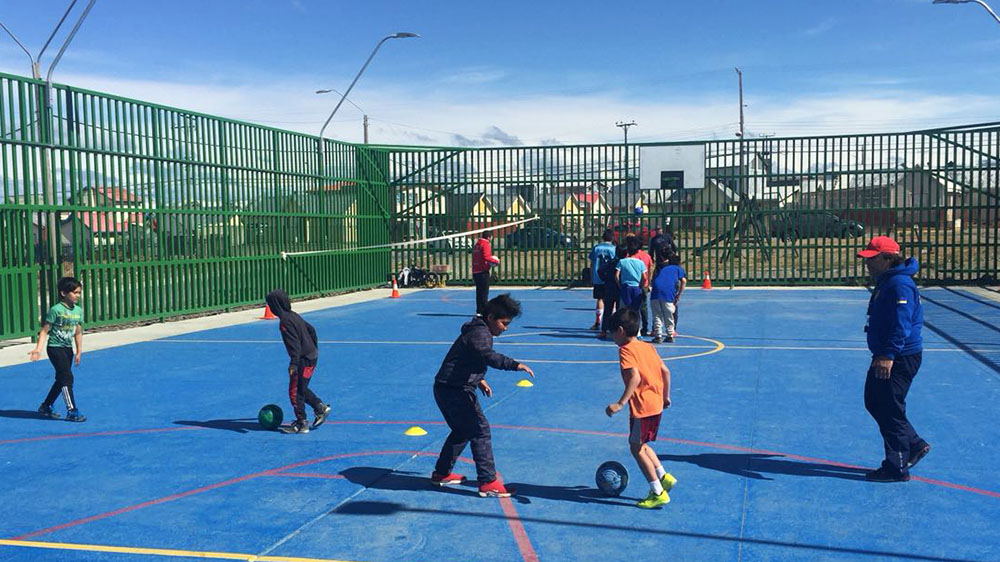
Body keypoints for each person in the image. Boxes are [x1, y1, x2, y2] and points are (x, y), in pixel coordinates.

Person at [430, 294, 535, 497]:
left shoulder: (478, 330)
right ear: (491, 317)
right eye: (504, 323)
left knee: (462, 431)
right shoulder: (480, 334)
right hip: (455, 390)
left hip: (447, 387)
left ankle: (441, 473)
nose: (506, 328)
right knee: (480, 430)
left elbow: (469, 359)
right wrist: (514, 365)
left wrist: (480, 380)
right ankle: (488, 481)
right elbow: (487, 356)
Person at [857, 236, 929, 482]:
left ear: (888, 258)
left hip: (899, 356)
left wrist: (888, 355)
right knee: (874, 400)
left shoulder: (899, 284)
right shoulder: (888, 280)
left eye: (873, 259)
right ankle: (914, 443)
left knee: (889, 407)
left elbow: (901, 323)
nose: (868, 264)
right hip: (886, 353)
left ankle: (896, 466)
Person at [604, 308, 676, 509]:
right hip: (656, 404)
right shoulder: (648, 347)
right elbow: (666, 371)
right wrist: (666, 396)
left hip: (643, 407)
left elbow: (634, 378)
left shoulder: (626, 350)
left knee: (635, 447)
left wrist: (620, 403)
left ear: (620, 330)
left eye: (612, 333)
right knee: (641, 444)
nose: (612, 337)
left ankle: (657, 492)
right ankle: (664, 477)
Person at [265, 289, 331, 434]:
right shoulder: (293, 315)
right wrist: (313, 347)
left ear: (276, 305)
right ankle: (320, 407)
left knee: (295, 392)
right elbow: (311, 329)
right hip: (312, 356)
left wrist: (293, 363)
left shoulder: (285, 322)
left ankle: (302, 424)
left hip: (302, 360)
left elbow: (294, 344)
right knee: (301, 387)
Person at [29, 277, 86, 422]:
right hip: (55, 348)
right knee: (67, 377)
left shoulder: (78, 311)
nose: (78, 295)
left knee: (61, 378)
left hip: (68, 349)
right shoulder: (56, 310)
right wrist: (38, 349)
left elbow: (78, 332)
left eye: (79, 293)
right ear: (63, 293)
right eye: (75, 292)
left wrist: (79, 351)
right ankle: (72, 411)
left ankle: (46, 405)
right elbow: (44, 331)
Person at [650, 252, 686, 343]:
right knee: (668, 314)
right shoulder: (678, 269)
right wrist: (679, 295)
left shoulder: (663, 268)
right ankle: (670, 334)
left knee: (657, 314)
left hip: (656, 291)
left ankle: (658, 335)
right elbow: (683, 281)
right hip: (668, 293)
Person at [588, 229, 617, 330]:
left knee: (600, 299)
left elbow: (592, 263)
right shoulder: (613, 249)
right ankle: (612, 322)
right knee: (612, 300)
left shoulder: (596, 248)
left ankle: (598, 322)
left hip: (598, 277)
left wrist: (592, 276)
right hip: (610, 277)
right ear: (612, 238)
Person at [616, 235, 648, 317]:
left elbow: (616, 275)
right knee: (635, 310)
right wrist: (641, 285)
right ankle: (635, 324)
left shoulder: (622, 261)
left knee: (624, 309)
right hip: (636, 287)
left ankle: (624, 322)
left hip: (626, 287)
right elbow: (644, 277)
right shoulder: (640, 263)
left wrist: (620, 284)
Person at [598, 244, 623, 340]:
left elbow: (600, 270)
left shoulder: (611, 262)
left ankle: (604, 330)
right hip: (619, 289)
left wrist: (604, 279)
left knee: (608, 310)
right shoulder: (623, 263)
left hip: (609, 288)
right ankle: (617, 330)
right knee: (619, 310)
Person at [472, 230, 501, 316]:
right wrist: (496, 261)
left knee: (479, 292)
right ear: (489, 237)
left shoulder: (477, 244)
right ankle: (483, 310)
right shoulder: (485, 244)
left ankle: (479, 310)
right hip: (482, 271)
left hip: (476, 270)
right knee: (484, 292)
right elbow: (486, 257)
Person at [632, 239, 655, 337]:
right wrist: (648, 282)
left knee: (632, 306)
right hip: (644, 284)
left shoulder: (632, 256)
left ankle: (634, 326)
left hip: (634, 284)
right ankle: (645, 327)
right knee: (643, 306)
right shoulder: (647, 256)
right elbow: (650, 269)